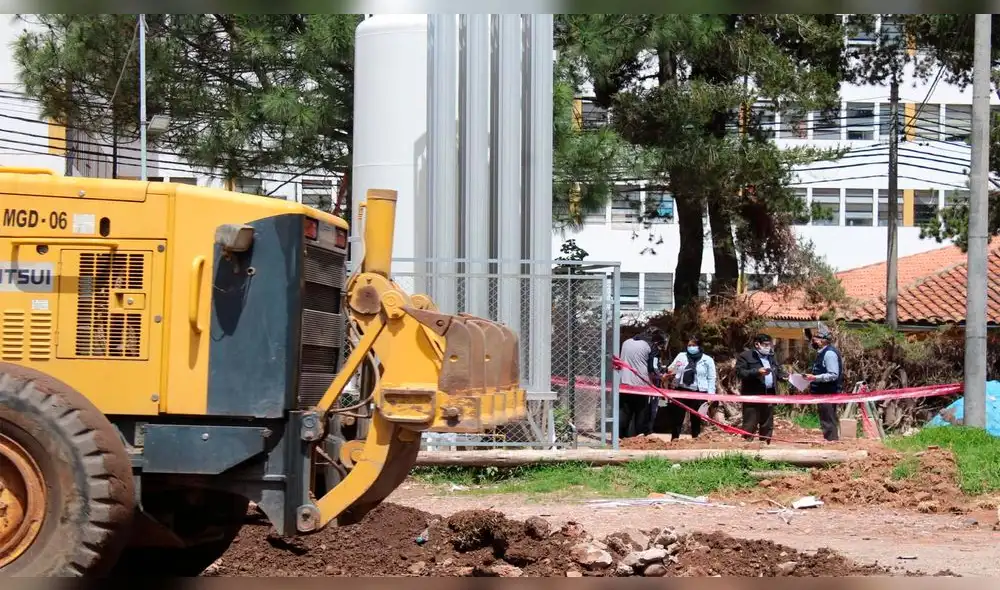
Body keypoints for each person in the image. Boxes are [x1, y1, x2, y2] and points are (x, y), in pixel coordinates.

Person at [735, 334, 787, 443]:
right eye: (766, 345)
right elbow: (740, 373)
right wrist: (757, 372)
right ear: (757, 344)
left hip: (769, 395)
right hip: (753, 396)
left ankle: (765, 446)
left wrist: (783, 376)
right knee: (750, 423)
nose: (769, 347)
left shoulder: (771, 356)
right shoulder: (745, 356)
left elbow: (777, 371)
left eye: (770, 345)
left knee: (767, 423)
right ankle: (747, 449)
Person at [664, 336, 716, 440]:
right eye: (689, 345)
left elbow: (711, 378)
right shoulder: (681, 356)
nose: (691, 347)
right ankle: (675, 439)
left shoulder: (708, 360)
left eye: (694, 345)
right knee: (677, 417)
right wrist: (669, 372)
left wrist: (711, 395)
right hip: (681, 390)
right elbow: (672, 368)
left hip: (698, 392)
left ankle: (695, 438)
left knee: (695, 418)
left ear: (699, 346)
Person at [618, 327, 665, 438]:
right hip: (640, 384)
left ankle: (620, 437)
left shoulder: (627, 342)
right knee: (641, 412)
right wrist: (662, 375)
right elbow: (652, 368)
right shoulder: (650, 346)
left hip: (623, 382)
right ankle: (639, 437)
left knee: (625, 412)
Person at [804, 327, 843, 441]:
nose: (813, 341)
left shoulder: (829, 354)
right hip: (822, 392)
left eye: (815, 338)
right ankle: (830, 440)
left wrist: (815, 378)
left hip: (828, 392)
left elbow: (833, 374)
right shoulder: (822, 353)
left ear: (823, 340)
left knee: (828, 419)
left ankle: (832, 443)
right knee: (826, 419)